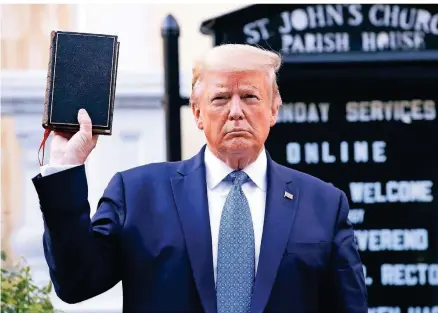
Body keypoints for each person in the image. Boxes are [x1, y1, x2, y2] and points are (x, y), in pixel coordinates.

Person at [32, 44, 368, 313]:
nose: (236, 111)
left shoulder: (324, 203)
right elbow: (76, 283)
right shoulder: (138, 194)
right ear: (197, 112)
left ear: (274, 109)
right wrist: (66, 167)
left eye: (250, 96)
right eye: (221, 98)